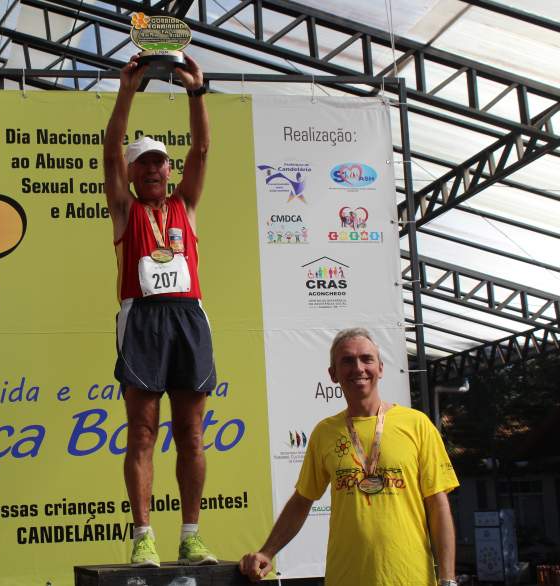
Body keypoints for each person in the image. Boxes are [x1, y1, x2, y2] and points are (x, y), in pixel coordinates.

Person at [103, 53, 216, 568]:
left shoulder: (184, 205)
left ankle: (191, 535)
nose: (153, 168)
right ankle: (143, 535)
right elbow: (108, 152)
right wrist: (127, 90)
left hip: (188, 316)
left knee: (192, 433)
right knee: (143, 432)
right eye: (143, 162)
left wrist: (196, 93)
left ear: (168, 170)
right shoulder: (125, 209)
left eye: (159, 161)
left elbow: (204, 149)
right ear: (131, 172)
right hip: (143, 320)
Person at [239, 328, 459, 585]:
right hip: (346, 577)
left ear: (381, 368)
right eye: (347, 360)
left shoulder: (416, 424)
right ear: (333, 374)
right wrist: (267, 551)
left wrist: (448, 579)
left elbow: (437, 504)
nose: (358, 367)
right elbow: (302, 500)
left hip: (410, 577)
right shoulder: (325, 432)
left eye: (367, 359)